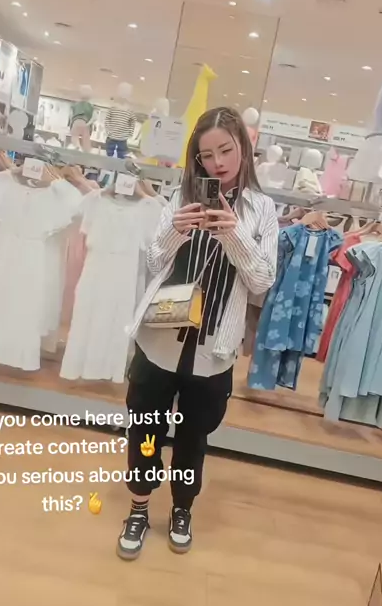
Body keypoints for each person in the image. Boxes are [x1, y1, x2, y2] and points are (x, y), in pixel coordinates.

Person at [117, 106, 279, 560]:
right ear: (197, 158)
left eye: (226, 150)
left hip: (214, 350)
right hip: (160, 341)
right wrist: (175, 231)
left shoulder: (262, 210)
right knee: (145, 428)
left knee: (193, 438)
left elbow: (262, 281)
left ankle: (181, 509)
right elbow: (153, 262)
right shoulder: (179, 197)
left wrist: (233, 234)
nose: (217, 163)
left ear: (244, 147)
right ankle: (138, 507)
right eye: (207, 155)